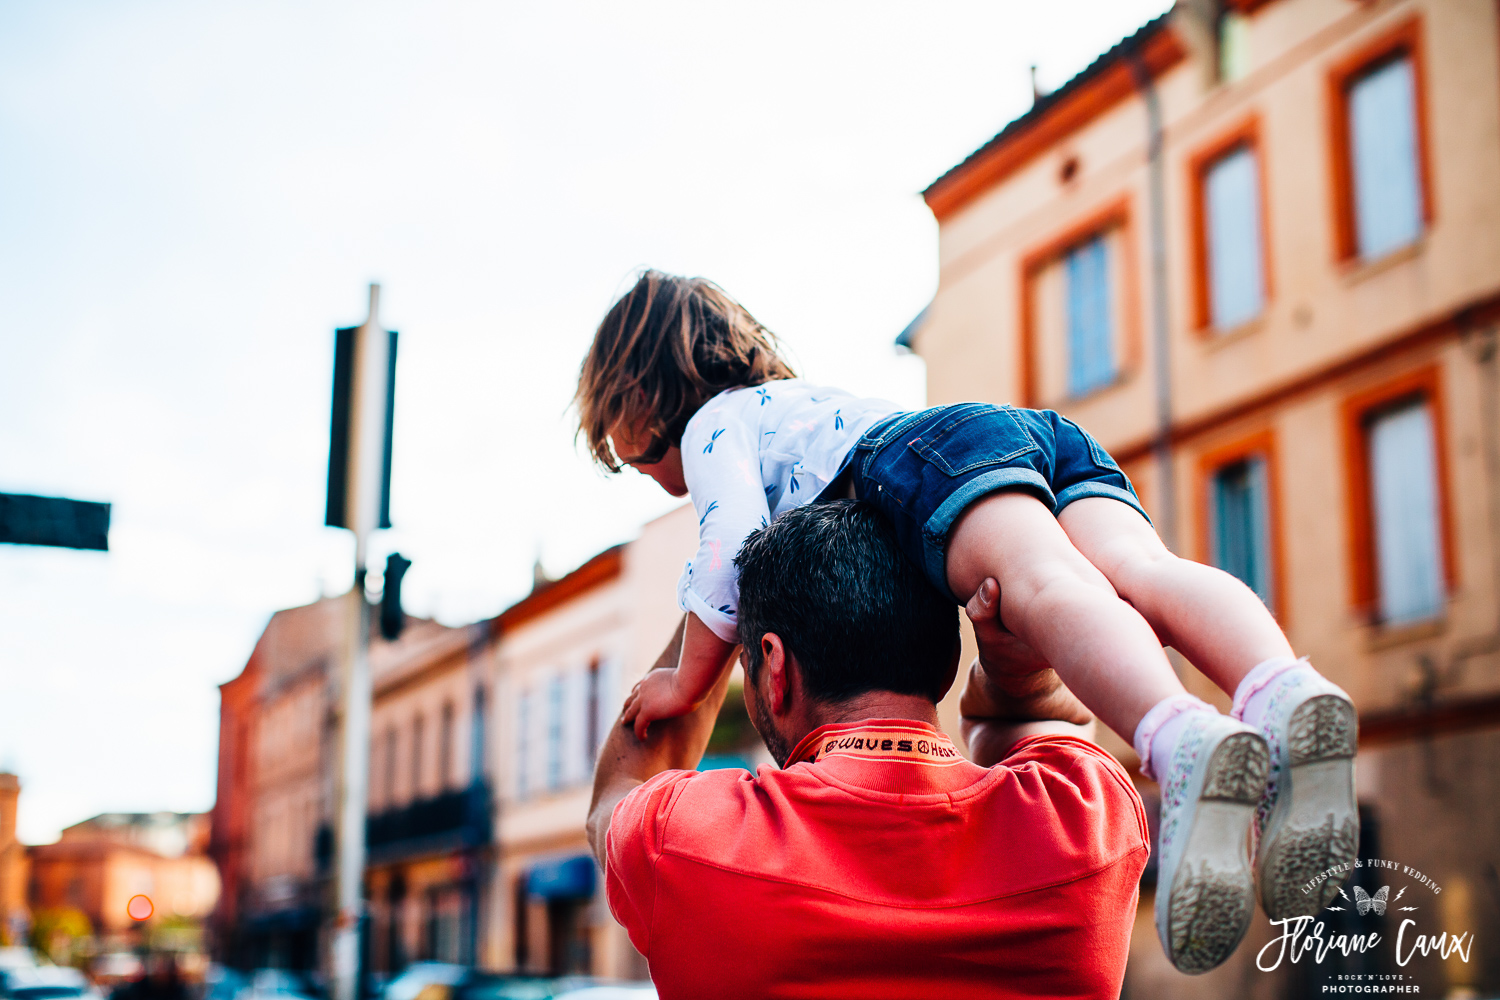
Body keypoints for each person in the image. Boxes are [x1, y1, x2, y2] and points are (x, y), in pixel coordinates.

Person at [575, 270, 1358, 971]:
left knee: (1048, 587)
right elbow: (1035, 730)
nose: (658, 483)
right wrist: (1013, 661)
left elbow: (728, 554)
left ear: (641, 405)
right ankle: (1279, 688)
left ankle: (1182, 739)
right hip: (1043, 440)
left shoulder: (716, 431)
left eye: (640, 463)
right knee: (1144, 575)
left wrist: (686, 678)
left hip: (933, 453)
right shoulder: (1080, 824)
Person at [588, 501, 1147, 999]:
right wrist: (1014, 672)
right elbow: (1044, 722)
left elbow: (618, 791)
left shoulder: (686, 838)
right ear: (948, 665)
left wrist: (714, 614)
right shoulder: (1088, 823)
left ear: (775, 669)